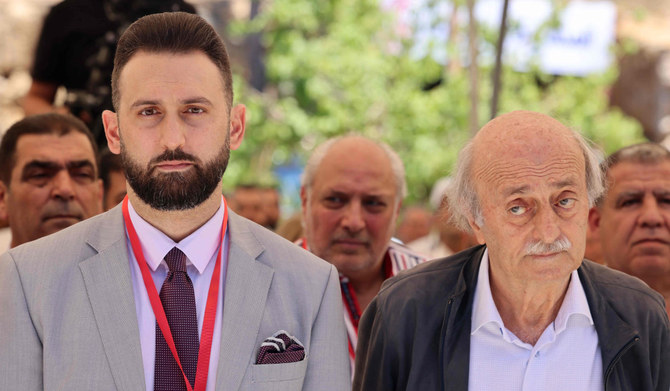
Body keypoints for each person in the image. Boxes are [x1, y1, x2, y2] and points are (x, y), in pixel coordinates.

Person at [1, 12, 349, 391]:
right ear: (113, 132)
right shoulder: (28, 280)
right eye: (149, 112)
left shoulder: (311, 284)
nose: (172, 139)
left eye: (194, 110)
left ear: (236, 127)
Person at [353, 111, 670, 390]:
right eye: (518, 208)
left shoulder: (640, 315)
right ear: (475, 219)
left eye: (564, 201)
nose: (548, 231)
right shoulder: (406, 312)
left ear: (588, 203)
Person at [298, 134, 428, 373]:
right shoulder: (268, 287)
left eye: (373, 203)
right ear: (305, 201)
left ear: (397, 210)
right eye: (336, 200)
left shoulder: (436, 286)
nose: (354, 222)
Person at [22, 0, 195, 145]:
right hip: (87, 144)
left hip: (159, 142)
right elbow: (35, 98)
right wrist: (61, 120)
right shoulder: (66, 15)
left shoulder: (180, 13)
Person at [588, 142, 670, 317]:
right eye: (630, 202)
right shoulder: (568, 312)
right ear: (596, 221)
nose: (651, 218)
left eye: (666, 201)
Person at [0, 113, 103, 250]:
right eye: (40, 175)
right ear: (2, 198)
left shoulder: (132, 269)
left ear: (100, 195)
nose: (65, 189)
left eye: (82, 175)